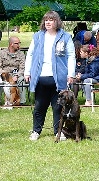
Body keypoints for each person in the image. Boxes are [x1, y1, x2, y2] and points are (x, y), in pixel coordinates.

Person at [24, 11, 75, 141]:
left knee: (58, 107)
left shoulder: (65, 36)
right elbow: (30, 55)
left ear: (56, 22)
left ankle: (58, 132)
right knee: (39, 107)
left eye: (51, 20)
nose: (48, 22)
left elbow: (71, 56)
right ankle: (36, 131)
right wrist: (27, 72)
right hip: (40, 78)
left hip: (59, 79)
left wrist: (71, 74)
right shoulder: (38, 36)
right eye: (46, 20)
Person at [0, 36, 27, 106]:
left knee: (21, 80)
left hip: (16, 74)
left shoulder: (21, 54)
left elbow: (22, 68)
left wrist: (17, 76)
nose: (19, 45)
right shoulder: (2, 53)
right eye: (17, 43)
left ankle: (22, 101)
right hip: (5, 74)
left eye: (19, 43)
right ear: (11, 44)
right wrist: (3, 74)